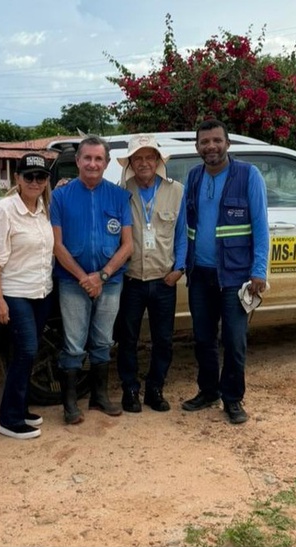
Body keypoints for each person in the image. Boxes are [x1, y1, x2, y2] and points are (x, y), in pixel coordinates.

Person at [181, 119, 270, 424]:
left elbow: (260, 226)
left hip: (236, 276)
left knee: (234, 340)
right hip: (200, 274)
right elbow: (185, 227)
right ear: (197, 147)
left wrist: (259, 271)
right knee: (203, 338)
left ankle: (232, 398)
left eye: (216, 140)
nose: (211, 147)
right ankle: (208, 391)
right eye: (204, 142)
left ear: (227, 143)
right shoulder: (193, 177)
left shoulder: (248, 175)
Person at [50, 135, 133, 424]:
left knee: (103, 340)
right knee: (73, 343)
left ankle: (99, 397)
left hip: (110, 281)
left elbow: (127, 245)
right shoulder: (60, 196)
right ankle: (70, 404)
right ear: (78, 161)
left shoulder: (120, 196)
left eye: (99, 159)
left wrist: (103, 275)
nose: (93, 163)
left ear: (107, 163)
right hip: (73, 281)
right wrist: (84, 277)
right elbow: (57, 245)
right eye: (87, 158)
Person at [0, 153, 54, 440]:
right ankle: (9, 419)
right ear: (17, 179)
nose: (35, 182)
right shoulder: (4, 210)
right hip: (15, 293)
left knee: (26, 353)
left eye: (40, 177)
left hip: (41, 291)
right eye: (29, 177)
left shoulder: (43, 209)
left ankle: (21, 407)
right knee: (25, 351)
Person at [114, 135, 187, 413]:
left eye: (149, 157)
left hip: (164, 279)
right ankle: (130, 390)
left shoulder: (176, 191)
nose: (144, 163)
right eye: (138, 158)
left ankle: (155, 389)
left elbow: (182, 234)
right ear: (131, 163)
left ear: (157, 161)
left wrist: (179, 268)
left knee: (164, 340)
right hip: (131, 280)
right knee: (128, 339)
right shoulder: (121, 191)